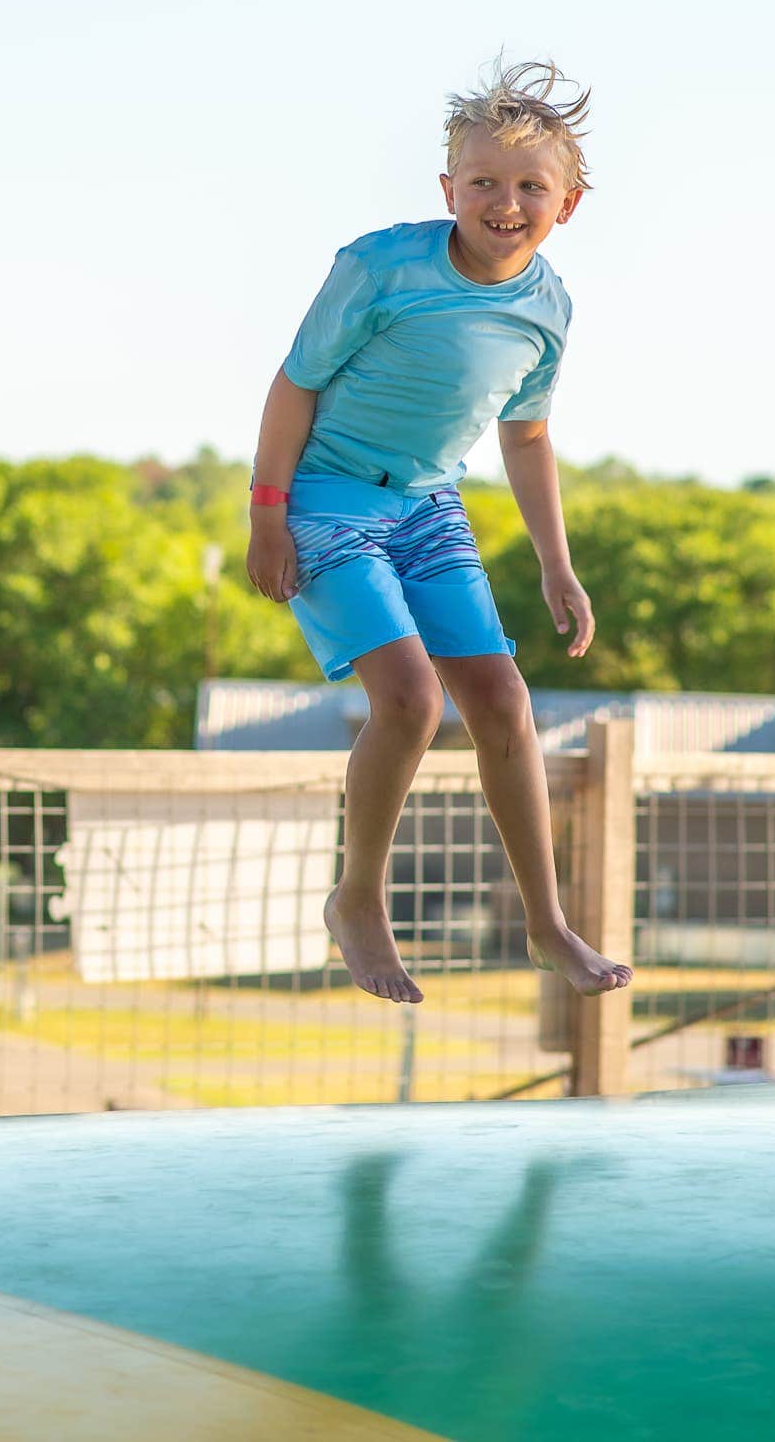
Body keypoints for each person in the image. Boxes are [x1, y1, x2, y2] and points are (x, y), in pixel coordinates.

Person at [245, 60, 634, 1006]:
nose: (507, 203)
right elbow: (295, 384)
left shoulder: (548, 306)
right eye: (485, 183)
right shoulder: (381, 267)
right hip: (330, 498)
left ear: (567, 205)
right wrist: (266, 512)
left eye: (531, 187)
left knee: (503, 702)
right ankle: (360, 901)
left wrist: (558, 566)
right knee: (412, 700)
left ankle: (547, 923)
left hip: (428, 506)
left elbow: (528, 435)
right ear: (448, 190)